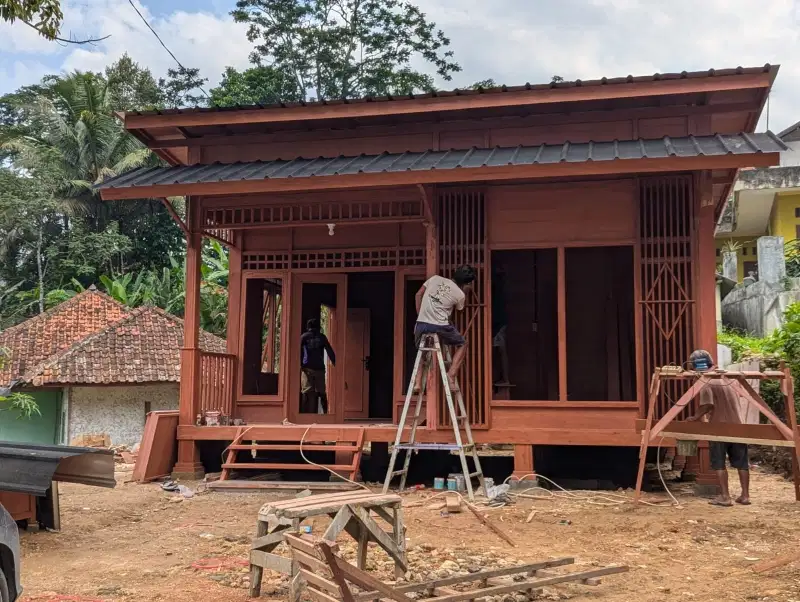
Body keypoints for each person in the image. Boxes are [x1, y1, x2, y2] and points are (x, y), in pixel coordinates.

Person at [686, 350, 756, 507]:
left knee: (719, 462)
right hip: (738, 426)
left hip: (718, 427)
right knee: (742, 462)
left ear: (696, 366)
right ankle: (745, 496)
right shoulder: (728, 377)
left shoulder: (706, 381)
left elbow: (707, 405)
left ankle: (725, 497)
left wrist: (694, 417)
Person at [413, 265, 477, 392]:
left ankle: (417, 383)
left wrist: (420, 314)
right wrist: (466, 291)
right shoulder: (460, 294)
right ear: (466, 282)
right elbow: (460, 309)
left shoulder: (434, 278)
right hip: (440, 326)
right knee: (463, 343)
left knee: (422, 350)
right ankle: (451, 374)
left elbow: (418, 295)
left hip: (421, 324)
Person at [300, 318, 336, 414]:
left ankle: (303, 415)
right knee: (322, 392)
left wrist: (299, 365)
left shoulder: (304, 337)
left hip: (307, 368)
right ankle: (325, 413)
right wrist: (335, 363)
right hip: (319, 368)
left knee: (306, 392)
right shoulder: (322, 337)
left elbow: (297, 352)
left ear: (308, 327)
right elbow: (330, 351)